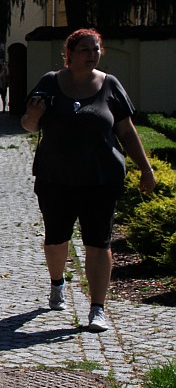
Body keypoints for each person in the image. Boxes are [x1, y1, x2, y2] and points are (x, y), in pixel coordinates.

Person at [21, 28, 155, 333]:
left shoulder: (110, 85)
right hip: (56, 177)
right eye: (84, 49)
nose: (91, 54)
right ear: (69, 54)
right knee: (56, 239)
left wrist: (145, 169)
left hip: (101, 178)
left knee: (99, 242)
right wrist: (32, 115)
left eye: (95, 49)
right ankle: (58, 283)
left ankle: (97, 308)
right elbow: (29, 126)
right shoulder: (50, 83)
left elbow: (126, 131)